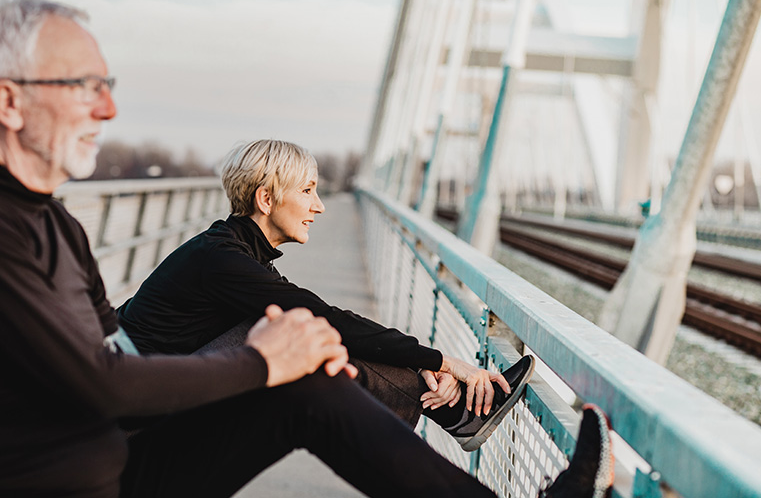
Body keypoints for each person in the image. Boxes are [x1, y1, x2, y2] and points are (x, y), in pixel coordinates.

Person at [0, 0, 614, 498]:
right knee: (297, 343)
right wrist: (265, 362)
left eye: (107, 84)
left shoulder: (58, 224)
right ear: (9, 100)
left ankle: (456, 419)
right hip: (81, 474)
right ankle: (451, 407)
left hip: (123, 462)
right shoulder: (13, 234)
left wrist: (285, 360)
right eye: (84, 86)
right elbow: (105, 382)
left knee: (312, 376)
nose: (108, 108)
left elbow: (113, 350)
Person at [118, 138, 535, 451]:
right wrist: (442, 361)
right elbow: (325, 317)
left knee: (298, 329)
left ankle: (453, 412)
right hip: (134, 414)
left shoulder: (234, 251)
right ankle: (454, 414)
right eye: (307, 191)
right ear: (266, 199)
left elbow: (326, 318)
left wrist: (421, 363)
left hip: (153, 391)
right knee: (301, 332)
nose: (319, 206)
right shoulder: (222, 259)